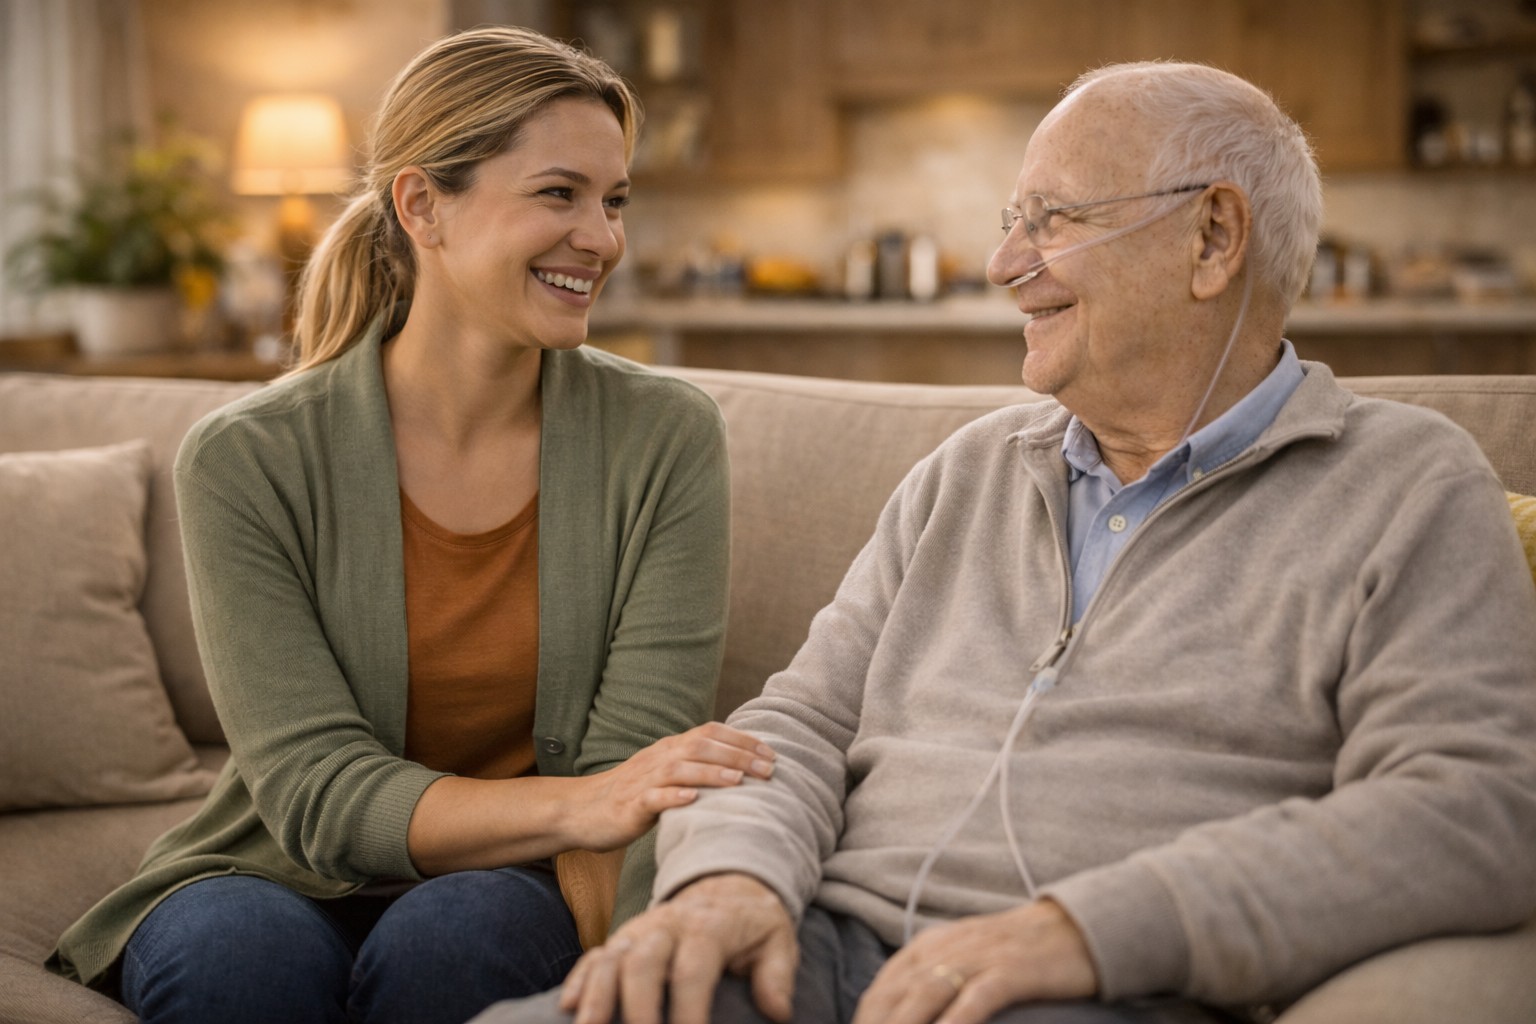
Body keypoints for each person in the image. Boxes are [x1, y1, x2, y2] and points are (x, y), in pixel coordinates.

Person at [474, 61, 1536, 1024]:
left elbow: (1471, 810)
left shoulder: (1408, 483)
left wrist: (1085, 930)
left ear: (1213, 239)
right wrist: (727, 884)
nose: (1002, 263)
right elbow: (789, 727)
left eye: (1054, 219)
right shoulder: (970, 471)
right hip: (811, 956)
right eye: (1010, 220)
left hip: (1103, 988)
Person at [46, 26, 777, 1024]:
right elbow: (314, 791)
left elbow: (631, 762)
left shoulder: (666, 439)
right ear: (422, 204)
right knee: (234, 962)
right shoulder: (247, 457)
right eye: (559, 194)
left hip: (521, 879)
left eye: (614, 202)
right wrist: (581, 801)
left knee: (455, 940)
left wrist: (589, 806)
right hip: (270, 870)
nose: (603, 239)